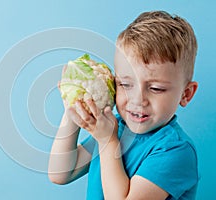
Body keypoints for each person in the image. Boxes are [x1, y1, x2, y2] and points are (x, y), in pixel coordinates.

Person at [48, 10, 199, 200]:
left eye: (156, 88)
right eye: (125, 85)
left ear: (185, 94)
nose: (138, 99)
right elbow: (61, 173)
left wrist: (108, 141)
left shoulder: (175, 151)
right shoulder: (116, 127)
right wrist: (72, 111)